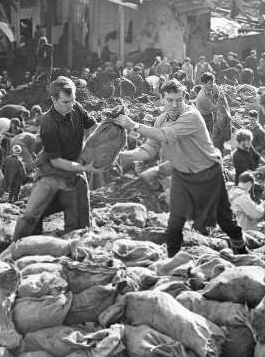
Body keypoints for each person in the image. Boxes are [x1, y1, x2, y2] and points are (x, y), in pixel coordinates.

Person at [115, 79, 247, 257]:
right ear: (162, 99)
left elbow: (166, 134)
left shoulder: (191, 115)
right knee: (175, 221)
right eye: (169, 100)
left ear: (184, 98)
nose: (174, 104)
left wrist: (134, 125)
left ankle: (241, 249)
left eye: (178, 99)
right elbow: (149, 149)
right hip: (182, 174)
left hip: (208, 173)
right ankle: (172, 260)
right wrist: (123, 156)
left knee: (225, 219)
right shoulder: (160, 120)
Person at [14, 77, 98, 240]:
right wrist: (83, 168)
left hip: (74, 170)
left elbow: (93, 127)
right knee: (32, 214)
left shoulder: (76, 107)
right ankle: (16, 245)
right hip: (52, 171)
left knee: (80, 221)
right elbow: (56, 161)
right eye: (66, 102)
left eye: (73, 100)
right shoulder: (48, 123)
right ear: (54, 100)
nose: (71, 105)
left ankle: (75, 245)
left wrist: (107, 133)